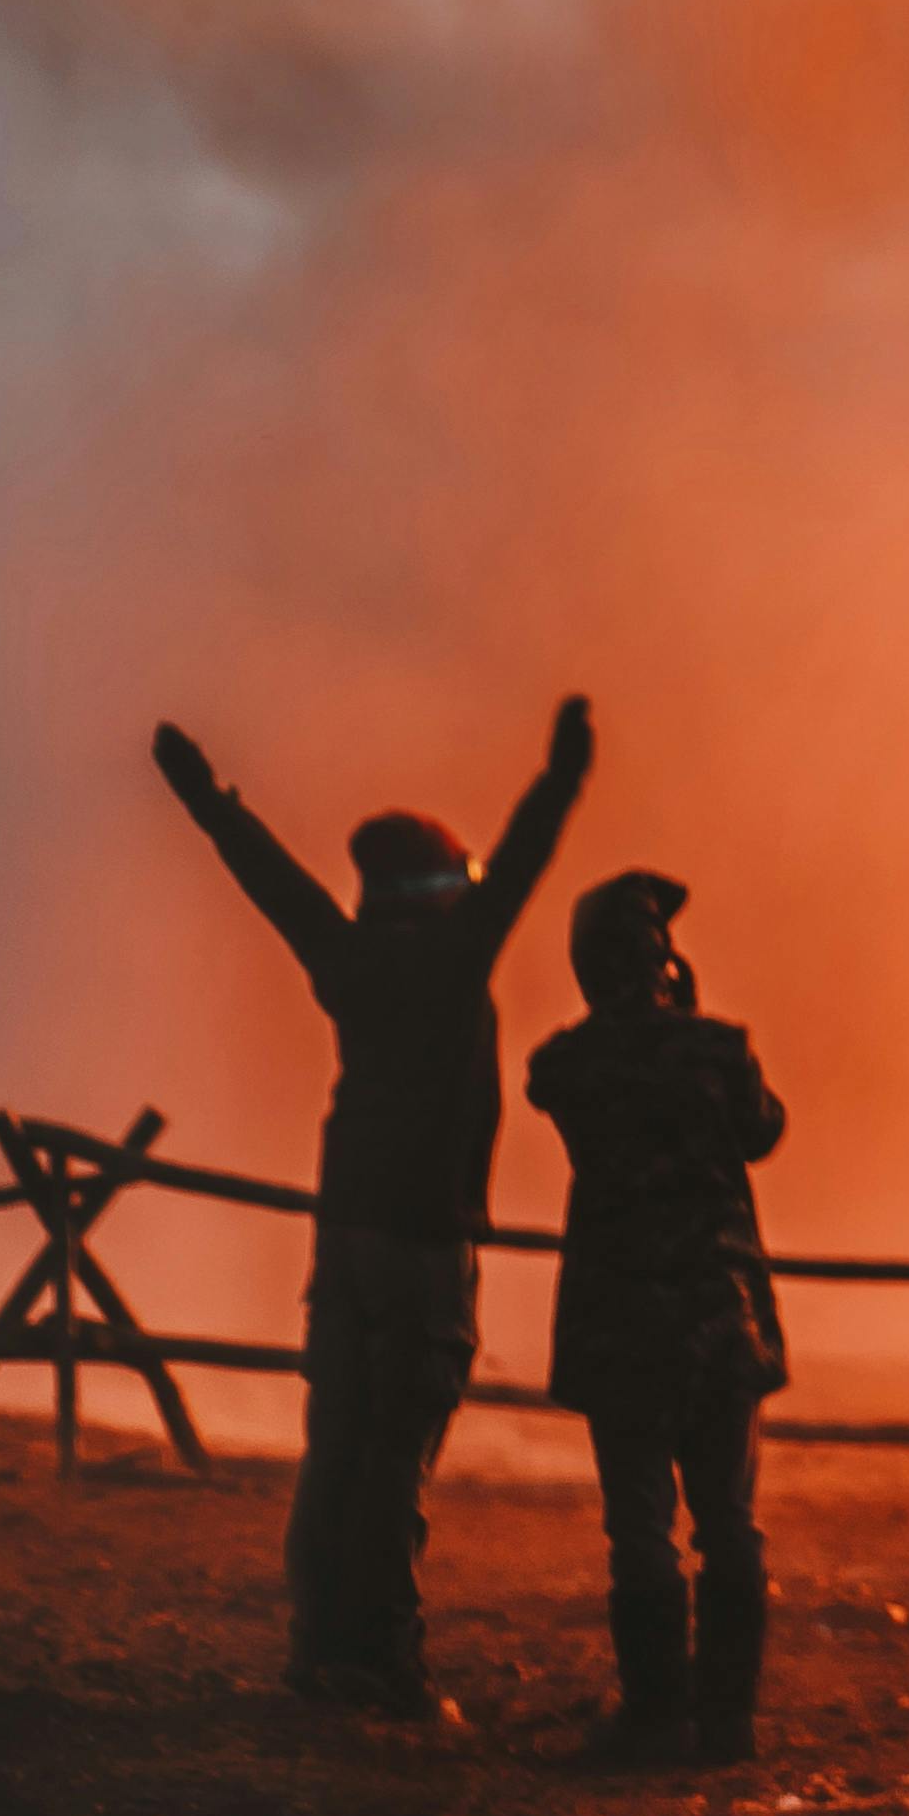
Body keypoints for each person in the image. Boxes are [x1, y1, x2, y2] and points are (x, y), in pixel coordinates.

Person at [151, 692, 594, 1725]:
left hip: (343, 1224)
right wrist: (562, 776)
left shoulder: (342, 954)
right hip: (425, 1232)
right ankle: (381, 1661)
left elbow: (269, 878)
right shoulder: (454, 950)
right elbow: (523, 860)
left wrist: (208, 801)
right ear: (443, 885)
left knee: (337, 1438)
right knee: (398, 1447)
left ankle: (317, 1646)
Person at [525, 869, 788, 1765]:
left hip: (619, 1319)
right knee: (728, 1523)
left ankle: (652, 1715)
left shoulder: (563, 1065)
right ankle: (727, 1721)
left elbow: (557, 1090)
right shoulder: (721, 1052)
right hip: (720, 1310)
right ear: (662, 960)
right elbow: (760, 1130)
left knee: (639, 1526)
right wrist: (691, 1009)